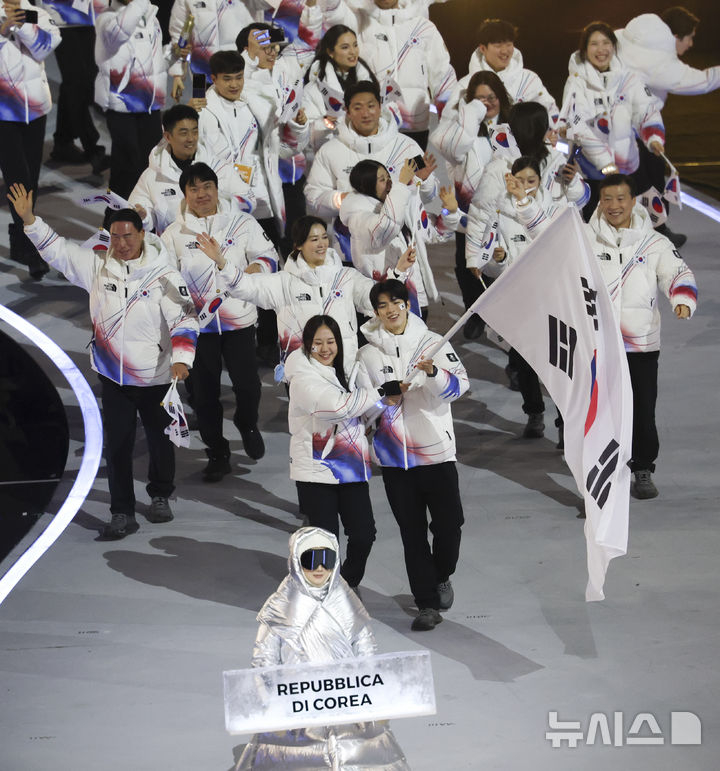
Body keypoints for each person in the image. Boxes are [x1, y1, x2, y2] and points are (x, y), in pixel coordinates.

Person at [8, 185, 199, 538]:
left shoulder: (164, 276)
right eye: (115, 236)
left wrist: (182, 359)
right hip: (113, 377)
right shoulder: (97, 266)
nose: (122, 243)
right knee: (118, 445)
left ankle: (160, 494)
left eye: (128, 236)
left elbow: (185, 319)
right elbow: (58, 251)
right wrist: (30, 220)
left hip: (156, 377)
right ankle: (122, 511)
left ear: (142, 234)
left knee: (160, 441)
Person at [235, 526, 409, 770]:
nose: (319, 569)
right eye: (310, 559)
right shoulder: (281, 606)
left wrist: (372, 696)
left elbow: (366, 650)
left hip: (346, 698)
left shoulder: (346, 600)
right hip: (297, 703)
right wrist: (271, 705)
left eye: (326, 560)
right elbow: (264, 661)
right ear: (296, 561)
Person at [357, 279, 468, 631]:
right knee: (412, 533)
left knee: (450, 527)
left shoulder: (434, 343)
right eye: (381, 306)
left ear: (407, 304)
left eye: (395, 302)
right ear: (375, 313)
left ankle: (442, 574)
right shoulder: (367, 355)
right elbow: (361, 408)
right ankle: (426, 604)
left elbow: (460, 386)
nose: (389, 310)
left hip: (437, 454)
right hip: (395, 460)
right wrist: (384, 397)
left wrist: (434, 373)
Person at [161, 163, 278, 480]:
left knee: (248, 386)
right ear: (185, 194)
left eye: (207, 186)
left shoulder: (241, 222)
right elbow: (165, 280)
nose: (202, 194)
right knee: (205, 395)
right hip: (198, 329)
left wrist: (254, 271)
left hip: (238, 320)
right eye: (194, 188)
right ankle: (217, 453)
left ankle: (247, 422)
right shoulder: (173, 234)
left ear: (217, 188)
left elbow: (268, 255)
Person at [586, 174, 697, 499]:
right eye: (607, 199)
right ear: (600, 202)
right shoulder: (585, 241)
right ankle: (601, 478)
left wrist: (682, 299)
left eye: (621, 199)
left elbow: (679, 273)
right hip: (600, 346)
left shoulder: (654, 243)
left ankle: (643, 467)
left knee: (642, 411)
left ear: (633, 201)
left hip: (641, 345)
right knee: (601, 414)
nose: (614, 206)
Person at [286, 315, 397, 587]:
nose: (325, 349)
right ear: (307, 346)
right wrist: (380, 391)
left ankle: (347, 583)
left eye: (331, 342)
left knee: (363, 535)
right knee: (325, 541)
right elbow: (337, 408)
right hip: (316, 471)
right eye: (318, 343)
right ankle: (320, 593)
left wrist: (383, 402)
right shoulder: (302, 378)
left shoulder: (348, 373)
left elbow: (361, 410)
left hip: (351, 467)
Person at [480, 156, 581, 441]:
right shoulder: (498, 213)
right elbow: (489, 266)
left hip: (555, 301)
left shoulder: (558, 211)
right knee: (524, 363)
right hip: (521, 301)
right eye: (519, 181)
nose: (524, 186)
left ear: (540, 181)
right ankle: (534, 413)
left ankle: (565, 426)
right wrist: (497, 260)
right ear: (509, 181)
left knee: (560, 367)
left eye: (531, 181)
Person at [198, 215, 377, 376]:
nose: (322, 244)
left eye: (324, 237)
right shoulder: (283, 282)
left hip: (343, 366)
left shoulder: (346, 276)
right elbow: (247, 287)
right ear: (299, 245)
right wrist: (222, 263)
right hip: (302, 370)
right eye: (314, 239)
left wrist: (398, 275)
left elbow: (376, 296)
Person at [305, 80, 439, 262]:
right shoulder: (331, 150)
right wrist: (342, 199)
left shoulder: (405, 146)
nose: (365, 113)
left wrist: (425, 182)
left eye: (371, 106)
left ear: (380, 106)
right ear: (347, 111)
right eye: (358, 107)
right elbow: (314, 198)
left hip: (403, 252)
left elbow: (429, 196)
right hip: (351, 252)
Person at [431, 70, 512, 337]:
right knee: (467, 263)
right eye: (479, 99)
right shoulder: (458, 128)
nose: (487, 103)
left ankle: (501, 315)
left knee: (503, 258)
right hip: (466, 203)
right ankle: (474, 311)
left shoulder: (512, 125)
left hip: (504, 203)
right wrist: (471, 116)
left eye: (491, 97)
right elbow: (454, 150)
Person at [559, 21, 666, 223]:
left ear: (614, 46)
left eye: (606, 43)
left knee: (634, 217)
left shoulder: (628, 77)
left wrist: (653, 137)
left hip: (627, 162)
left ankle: (659, 229)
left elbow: (646, 108)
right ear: (584, 49)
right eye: (594, 44)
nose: (601, 50)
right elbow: (578, 126)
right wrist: (605, 164)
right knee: (595, 224)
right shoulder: (576, 82)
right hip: (592, 168)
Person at [339, 158, 458, 318]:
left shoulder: (402, 202)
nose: (389, 182)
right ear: (366, 186)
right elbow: (387, 226)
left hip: (417, 300)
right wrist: (401, 186)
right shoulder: (359, 218)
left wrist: (448, 213)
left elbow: (434, 233)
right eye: (382, 180)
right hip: (386, 304)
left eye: (388, 176)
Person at [0, 0, 61, 278]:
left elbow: (46, 46)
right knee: (17, 179)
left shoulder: (35, 13)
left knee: (31, 180)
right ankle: (30, 244)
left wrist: (22, 26)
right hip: (4, 114)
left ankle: (18, 235)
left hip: (36, 111)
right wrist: (3, 31)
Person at [130, 104, 253, 235]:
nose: (191, 139)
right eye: (184, 133)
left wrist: (217, 205)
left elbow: (249, 200)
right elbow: (138, 213)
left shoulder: (218, 167)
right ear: (167, 136)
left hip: (217, 247)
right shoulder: (152, 175)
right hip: (174, 249)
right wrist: (143, 216)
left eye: (195, 132)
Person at [351, 0, 457, 148]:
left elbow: (443, 76)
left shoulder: (423, 27)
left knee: (414, 172)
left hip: (414, 126)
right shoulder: (357, 22)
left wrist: (450, 123)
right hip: (370, 126)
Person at [94, 0, 168, 201]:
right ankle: (114, 224)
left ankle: (146, 224)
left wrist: (174, 55)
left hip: (150, 106)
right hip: (121, 107)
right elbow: (120, 31)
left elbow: (154, 60)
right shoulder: (106, 19)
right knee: (126, 169)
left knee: (149, 167)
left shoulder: (151, 17)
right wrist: (140, 3)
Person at [38, 0, 108, 173]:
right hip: (59, 13)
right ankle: (94, 149)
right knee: (76, 81)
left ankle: (63, 141)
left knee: (82, 80)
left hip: (89, 13)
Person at [616, 7, 720, 109]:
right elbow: (705, 82)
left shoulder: (620, 35)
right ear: (675, 37)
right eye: (690, 38)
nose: (691, 44)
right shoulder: (660, 65)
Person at [465, 18, 559, 126]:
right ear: (482, 48)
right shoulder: (467, 84)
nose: (505, 51)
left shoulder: (528, 79)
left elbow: (550, 109)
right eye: (498, 45)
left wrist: (550, 132)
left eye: (509, 44)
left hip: (522, 142)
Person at [303, 24, 379, 154]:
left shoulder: (369, 80)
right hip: (330, 157)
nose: (353, 52)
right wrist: (324, 123)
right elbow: (303, 137)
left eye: (355, 45)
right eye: (345, 47)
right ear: (330, 52)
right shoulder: (313, 89)